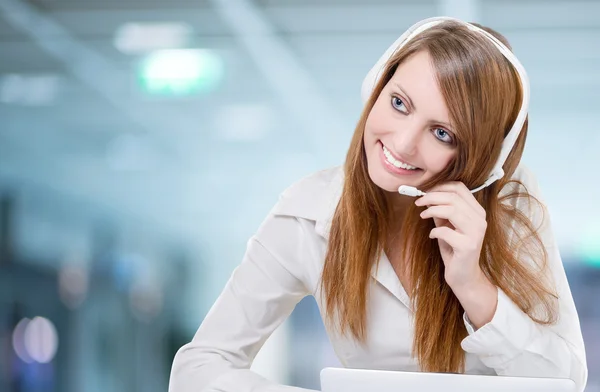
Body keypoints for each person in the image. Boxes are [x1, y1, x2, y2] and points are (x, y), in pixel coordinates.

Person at [168, 17, 588, 392]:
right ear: (377, 87)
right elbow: (198, 367)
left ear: (479, 160)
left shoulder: (511, 209)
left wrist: (473, 286)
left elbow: (566, 382)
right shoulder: (309, 211)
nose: (403, 144)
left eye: (442, 133)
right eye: (399, 103)